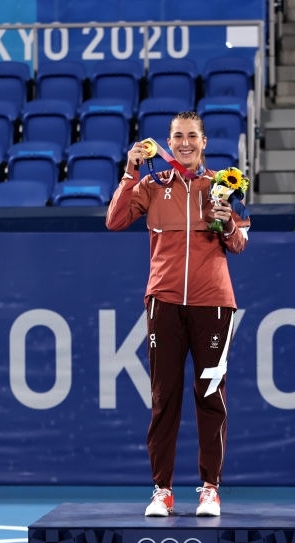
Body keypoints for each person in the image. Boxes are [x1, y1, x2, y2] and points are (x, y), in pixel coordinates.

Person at [105, 111, 251, 518]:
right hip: (164, 303)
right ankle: (162, 491)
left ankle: (209, 489)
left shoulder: (224, 185)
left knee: (210, 397)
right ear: (169, 142)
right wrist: (130, 170)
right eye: (177, 136)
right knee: (163, 398)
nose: (184, 142)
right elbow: (114, 221)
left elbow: (239, 243)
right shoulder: (152, 184)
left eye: (191, 136)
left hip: (214, 305)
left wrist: (226, 226)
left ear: (204, 142)